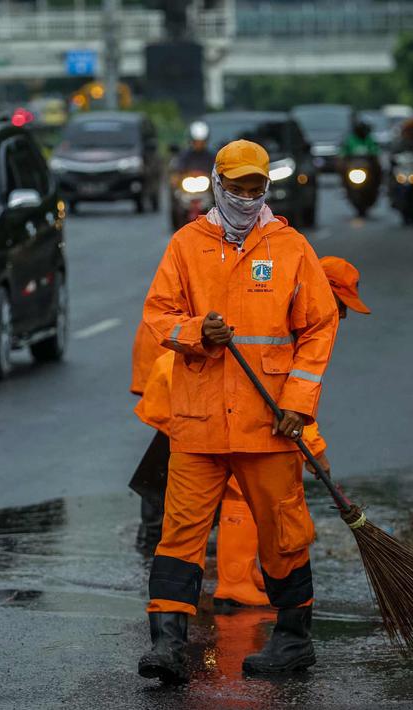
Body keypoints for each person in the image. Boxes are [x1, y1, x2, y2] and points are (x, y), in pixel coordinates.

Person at [137, 139, 338, 683]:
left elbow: (319, 327)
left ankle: (294, 639)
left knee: (282, 535)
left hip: (268, 421)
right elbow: (158, 316)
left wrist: (298, 402)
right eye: (238, 188)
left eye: (257, 189)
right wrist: (196, 332)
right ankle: (167, 646)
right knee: (179, 535)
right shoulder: (186, 245)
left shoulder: (290, 247)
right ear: (218, 185)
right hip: (199, 424)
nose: (248, 199)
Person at [133, 256, 370, 608]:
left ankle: (239, 573)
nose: (343, 315)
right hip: (190, 391)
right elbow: (275, 393)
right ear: (324, 292)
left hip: (187, 384)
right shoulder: (285, 308)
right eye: (340, 305)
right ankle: (233, 583)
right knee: (237, 493)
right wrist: (316, 453)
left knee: (190, 479)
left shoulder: (286, 298)